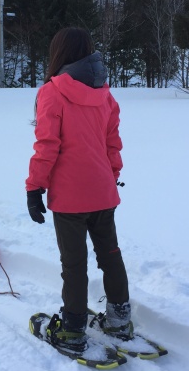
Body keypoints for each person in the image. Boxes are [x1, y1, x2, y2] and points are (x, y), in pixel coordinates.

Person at [25, 27, 131, 354]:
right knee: (110, 255)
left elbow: (47, 146)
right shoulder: (105, 93)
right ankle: (120, 320)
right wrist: (110, 176)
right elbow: (113, 145)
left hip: (70, 198)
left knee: (74, 263)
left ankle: (72, 330)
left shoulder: (52, 92)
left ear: (59, 54)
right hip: (103, 192)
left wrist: (34, 188)